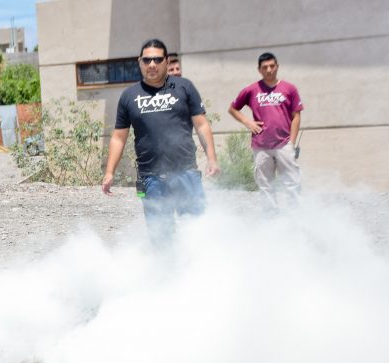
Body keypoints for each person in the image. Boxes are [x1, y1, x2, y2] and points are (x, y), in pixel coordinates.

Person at [102, 39, 219, 243]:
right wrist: (110, 172)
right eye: (147, 60)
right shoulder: (129, 96)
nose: (152, 64)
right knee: (160, 235)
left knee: (197, 229)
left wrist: (212, 158)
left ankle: (200, 270)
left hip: (186, 173)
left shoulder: (184, 87)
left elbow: (202, 125)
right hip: (151, 179)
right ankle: (166, 272)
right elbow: (119, 137)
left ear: (166, 61)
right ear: (140, 62)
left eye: (157, 59)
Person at [228, 52, 304, 212]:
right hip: (261, 146)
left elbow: (296, 116)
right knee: (266, 185)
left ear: (277, 67)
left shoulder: (289, 89)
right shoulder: (251, 90)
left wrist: (292, 142)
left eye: (272, 66)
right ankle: (271, 219)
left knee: (292, 182)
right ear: (259, 69)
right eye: (265, 67)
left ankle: (297, 217)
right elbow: (233, 108)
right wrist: (247, 122)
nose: (269, 70)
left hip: (284, 144)